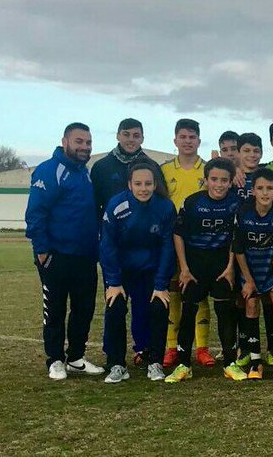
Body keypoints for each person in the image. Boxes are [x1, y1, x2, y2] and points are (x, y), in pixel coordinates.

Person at [25, 122, 104, 380]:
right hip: (56, 256)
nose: (85, 147)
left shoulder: (85, 173)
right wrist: (42, 251)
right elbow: (35, 213)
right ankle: (55, 359)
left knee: (84, 309)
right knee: (55, 309)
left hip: (85, 256)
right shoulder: (49, 170)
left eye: (88, 142)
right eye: (79, 141)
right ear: (65, 142)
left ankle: (76, 358)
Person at [165, 157, 243, 383]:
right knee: (188, 313)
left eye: (224, 180)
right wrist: (184, 268)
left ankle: (229, 363)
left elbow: (236, 237)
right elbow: (178, 234)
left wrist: (230, 267)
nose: (219, 184)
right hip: (194, 266)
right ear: (206, 180)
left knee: (225, 313)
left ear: (230, 182)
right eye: (214, 179)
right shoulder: (192, 202)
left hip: (222, 266)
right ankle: (184, 365)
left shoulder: (236, 204)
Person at [99, 162, 175, 383]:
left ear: (155, 184)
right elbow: (107, 244)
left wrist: (160, 284)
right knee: (115, 309)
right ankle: (116, 364)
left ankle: (155, 362)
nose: (144, 188)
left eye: (148, 184)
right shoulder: (117, 205)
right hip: (122, 272)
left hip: (151, 271)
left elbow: (167, 247)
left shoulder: (165, 207)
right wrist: (114, 281)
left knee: (158, 309)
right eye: (138, 184)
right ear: (129, 185)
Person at [158, 119, 215, 368]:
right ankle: (172, 347)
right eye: (183, 137)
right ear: (175, 140)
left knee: (198, 295)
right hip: (173, 241)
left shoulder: (209, 169)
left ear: (199, 141)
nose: (188, 141)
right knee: (174, 295)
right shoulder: (164, 170)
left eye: (192, 137)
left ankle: (202, 348)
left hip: (200, 243)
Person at [231, 167, 273, 379]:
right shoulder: (243, 212)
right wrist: (248, 280)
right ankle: (255, 362)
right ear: (253, 190)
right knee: (251, 305)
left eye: (269, 188)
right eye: (260, 188)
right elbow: (238, 249)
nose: (265, 193)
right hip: (250, 270)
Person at [90, 118, 162, 218]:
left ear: (142, 139)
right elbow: (94, 205)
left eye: (136, 136)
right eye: (126, 134)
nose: (131, 139)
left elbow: (161, 202)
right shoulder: (101, 167)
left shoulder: (152, 167)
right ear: (118, 136)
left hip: (144, 225)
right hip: (111, 225)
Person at [231, 132, 265, 202]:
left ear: (261, 153)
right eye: (247, 151)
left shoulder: (267, 176)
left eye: (256, 151)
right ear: (238, 153)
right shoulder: (230, 175)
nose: (252, 155)